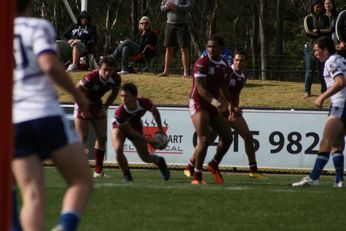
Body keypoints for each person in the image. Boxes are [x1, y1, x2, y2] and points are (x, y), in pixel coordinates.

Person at [13, 1, 93, 230]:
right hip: (44, 112)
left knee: (31, 196)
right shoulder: (37, 27)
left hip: (15, 120)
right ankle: (64, 227)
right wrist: (79, 97)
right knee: (81, 182)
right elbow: (48, 64)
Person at [292, 36, 346, 188]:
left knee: (326, 141)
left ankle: (314, 177)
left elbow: (340, 82)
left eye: (316, 50)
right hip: (342, 104)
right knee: (336, 143)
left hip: (340, 105)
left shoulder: (331, 61)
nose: (315, 53)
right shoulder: (340, 59)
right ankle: (339, 181)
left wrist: (322, 96)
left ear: (325, 50)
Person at [187, 35, 234, 185]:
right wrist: (217, 103)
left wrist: (229, 103)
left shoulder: (224, 64)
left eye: (214, 47)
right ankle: (197, 177)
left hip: (213, 104)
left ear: (221, 48)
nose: (211, 49)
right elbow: (200, 89)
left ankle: (214, 164)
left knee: (227, 138)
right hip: (199, 102)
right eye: (209, 47)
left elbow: (223, 85)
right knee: (204, 139)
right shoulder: (202, 62)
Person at [111, 83, 170, 182]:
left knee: (145, 158)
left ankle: (160, 161)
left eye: (127, 96)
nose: (123, 99)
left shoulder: (144, 103)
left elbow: (155, 112)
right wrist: (148, 141)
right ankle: (127, 177)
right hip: (120, 127)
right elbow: (128, 130)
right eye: (121, 96)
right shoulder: (119, 113)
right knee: (118, 149)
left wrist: (160, 129)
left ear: (135, 97)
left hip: (136, 126)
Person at [74, 56, 121, 178]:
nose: (107, 72)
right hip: (82, 103)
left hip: (97, 105)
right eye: (105, 69)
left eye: (110, 70)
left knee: (102, 137)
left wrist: (104, 107)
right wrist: (83, 109)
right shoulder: (92, 78)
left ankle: (98, 171)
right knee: (82, 137)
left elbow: (114, 93)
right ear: (99, 68)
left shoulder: (116, 79)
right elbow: (76, 90)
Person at [303, 0, 331, 98]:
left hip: (323, 47)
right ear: (313, 7)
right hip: (310, 47)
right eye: (316, 7)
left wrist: (318, 31)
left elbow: (329, 30)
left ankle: (324, 91)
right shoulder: (308, 18)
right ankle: (307, 91)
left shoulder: (326, 18)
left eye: (320, 7)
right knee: (310, 69)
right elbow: (308, 31)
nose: (318, 9)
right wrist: (320, 34)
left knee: (323, 69)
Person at [158, 0, 192, 78]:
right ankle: (166, 71)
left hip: (182, 24)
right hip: (169, 24)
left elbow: (190, 7)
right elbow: (161, 8)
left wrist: (176, 7)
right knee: (168, 48)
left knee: (183, 48)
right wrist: (166, 7)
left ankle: (186, 73)